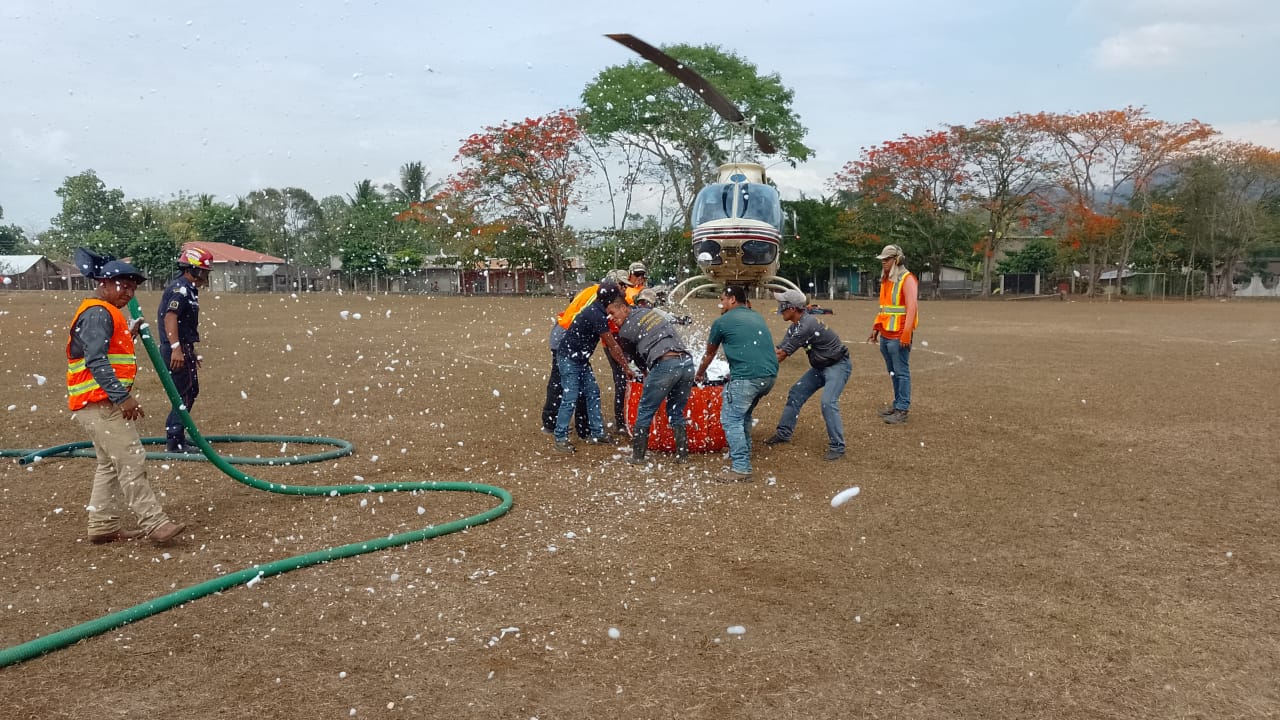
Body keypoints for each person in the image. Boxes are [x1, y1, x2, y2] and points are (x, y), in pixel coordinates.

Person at [67, 254, 185, 545]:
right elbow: (95, 360)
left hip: (94, 403)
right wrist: (122, 397)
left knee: (109, 464)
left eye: (133, 289)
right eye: (123, 286)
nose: (128, 293)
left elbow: (104, 352)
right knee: (131, 459)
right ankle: (155, 523)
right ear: (104, 284)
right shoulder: (98, 313)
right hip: (101, 403)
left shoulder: (104, 312)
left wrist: (128, 334)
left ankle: (102, 525)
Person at [695, 285, 778, 483]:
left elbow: (709, 353)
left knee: (731, 419)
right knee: (744, 414)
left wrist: (699, 374)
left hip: (747, 378)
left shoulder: (722, 322)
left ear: (732, 299)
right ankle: (744, 451)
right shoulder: (756, 316)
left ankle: (741, 467)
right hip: (769, 376)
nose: (721, 304)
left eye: (723, 299)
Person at [541, 270, 633, 437]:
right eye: (622, 286)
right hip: (566, 334)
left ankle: (584, 426)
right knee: (563, 384)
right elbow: (604, 330)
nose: (624, 291)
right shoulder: (598, 301)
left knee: (586, 389)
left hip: (570, 336)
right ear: (614, 285)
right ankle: (554, 424)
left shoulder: (595, 293)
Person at [763, 289, 851, 461]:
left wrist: (758, 367)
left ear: (792, 308)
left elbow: (780, 356)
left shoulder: (805, 326)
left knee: (828, 402)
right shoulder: (796, 326)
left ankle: (838, 446)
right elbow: (778, 350)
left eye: (782, 305)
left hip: (837, 366)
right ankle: (784, 433)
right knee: (796, 392)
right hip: (821, 366)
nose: (779, 308)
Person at [606, 295, 695, 465]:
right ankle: (682, 456)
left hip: (666, 364)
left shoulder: (625, 332)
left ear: (624, 308)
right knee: (676, 410)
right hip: (687, 363)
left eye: (613, 312)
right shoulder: (647, 312)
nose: (612, 318)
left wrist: (648, 375)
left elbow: (638, 360)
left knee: (645, 410)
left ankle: (637, 456)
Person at [156, 244, 213, 453]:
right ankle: (174, 440)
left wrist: (189, 350)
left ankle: (178, 436)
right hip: (175, 349)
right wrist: (176, 349)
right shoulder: (180, 288)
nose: (205, 274)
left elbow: (182, 324)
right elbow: (170, 317)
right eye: (203, 270)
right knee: (183, 392)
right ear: (192, 268)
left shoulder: (190, 289)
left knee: (189, 390)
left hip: (183, 347)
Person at [866, 244, 919, 424]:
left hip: (899, 335)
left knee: (901, 372)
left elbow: (912, 307)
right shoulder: (887, 280)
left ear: (896, 260)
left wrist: (906, 333)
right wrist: (876, 328)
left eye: (886, 259)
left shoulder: (907, 278)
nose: (883, 263)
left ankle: (902, 409)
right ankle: (897, 405)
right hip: (886, 334)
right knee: (893, 372)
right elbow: (884, 308)